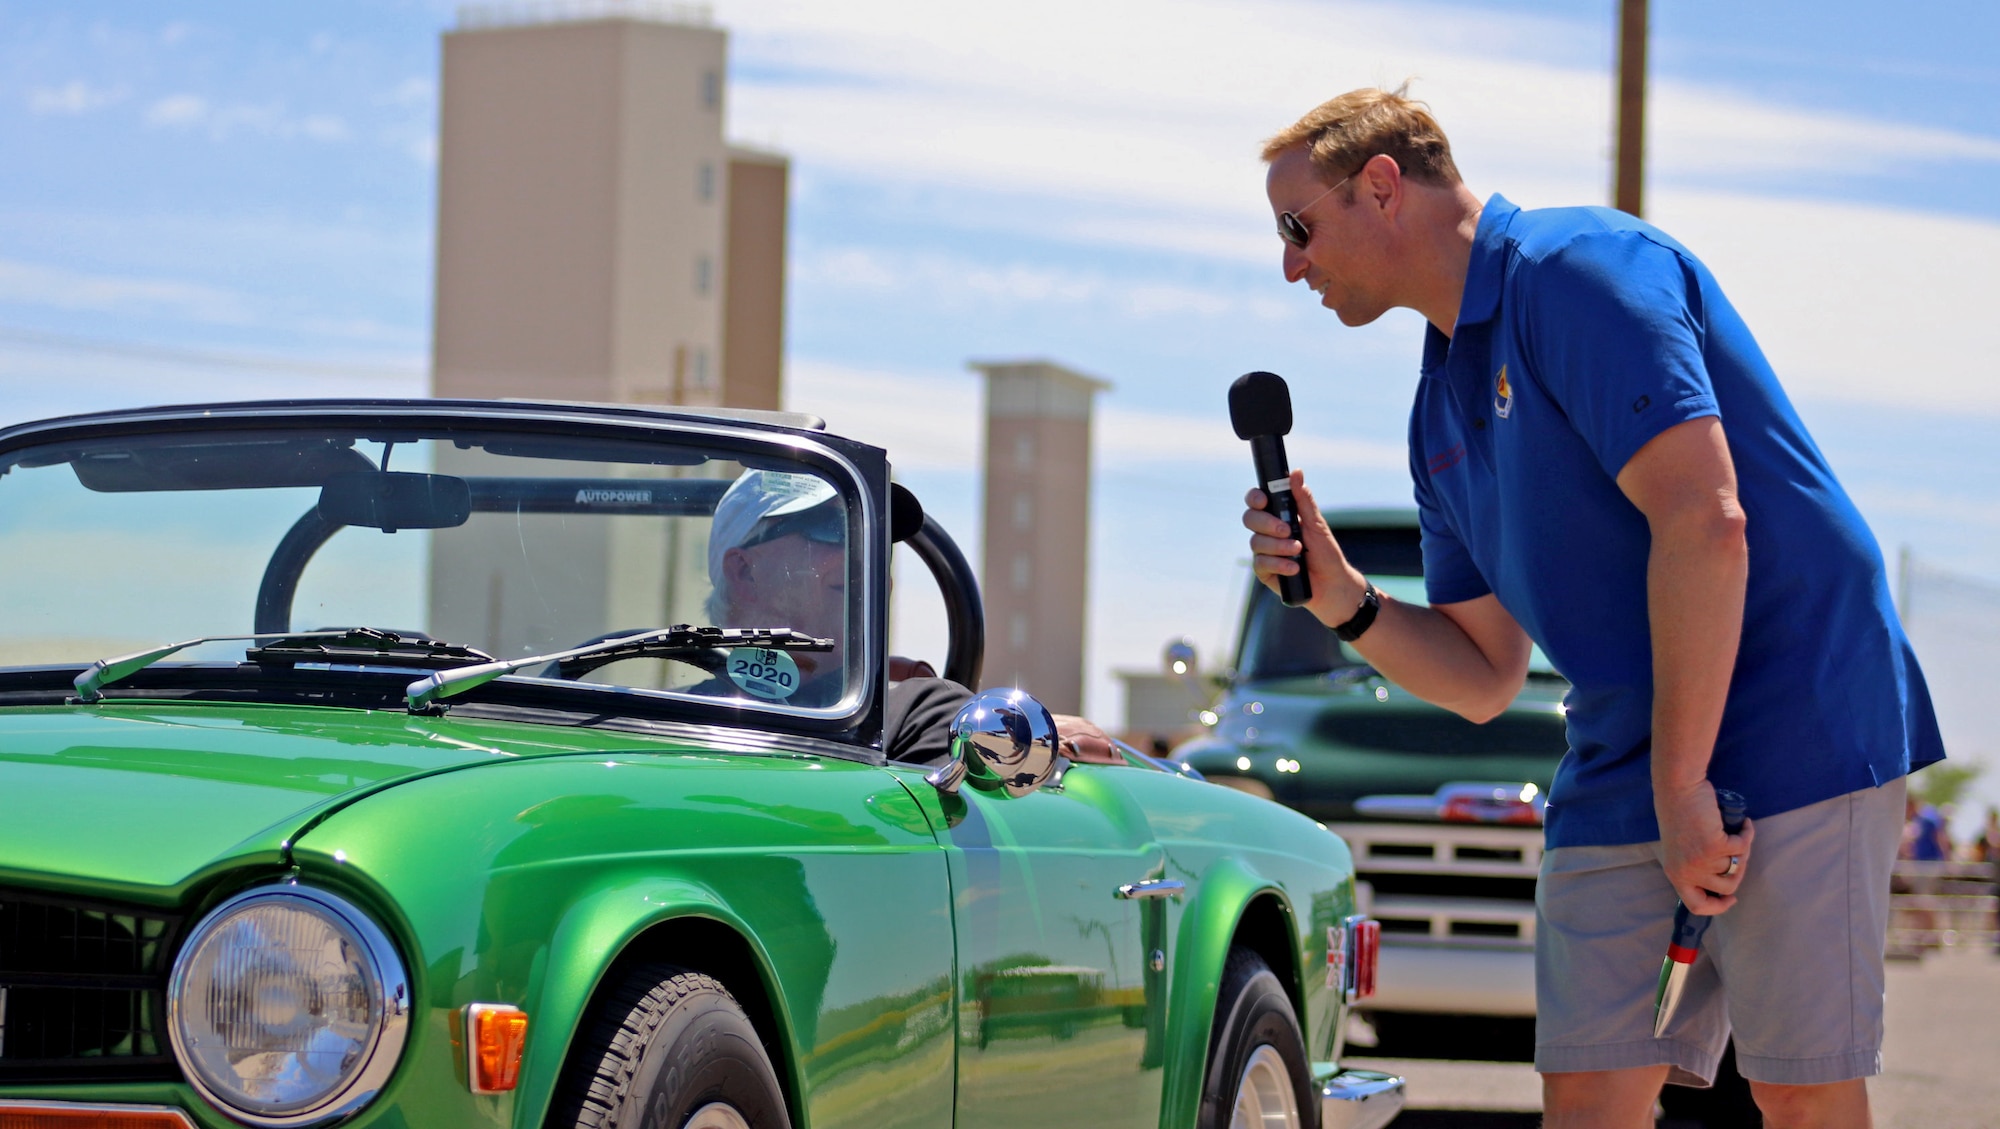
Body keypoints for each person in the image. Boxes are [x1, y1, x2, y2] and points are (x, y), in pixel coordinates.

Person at [1246, 87, 1943, 1128]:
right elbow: (1484, 673)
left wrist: (1682, 785)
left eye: (1296, 227)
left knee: (1796, 1089)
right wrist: (1342, 600)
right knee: (1587, 1093)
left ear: (1381, 186)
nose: (1289, 263)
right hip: (1630, 746)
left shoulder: (1576, 272)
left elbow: (1706, 522)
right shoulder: (1437, 406)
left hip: (1798, 708)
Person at [705, 469, 1117, 765]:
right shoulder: (671, 711)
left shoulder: (914, 712)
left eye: (874, 537)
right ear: (745, 571)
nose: (863, 555)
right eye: (831, 528)